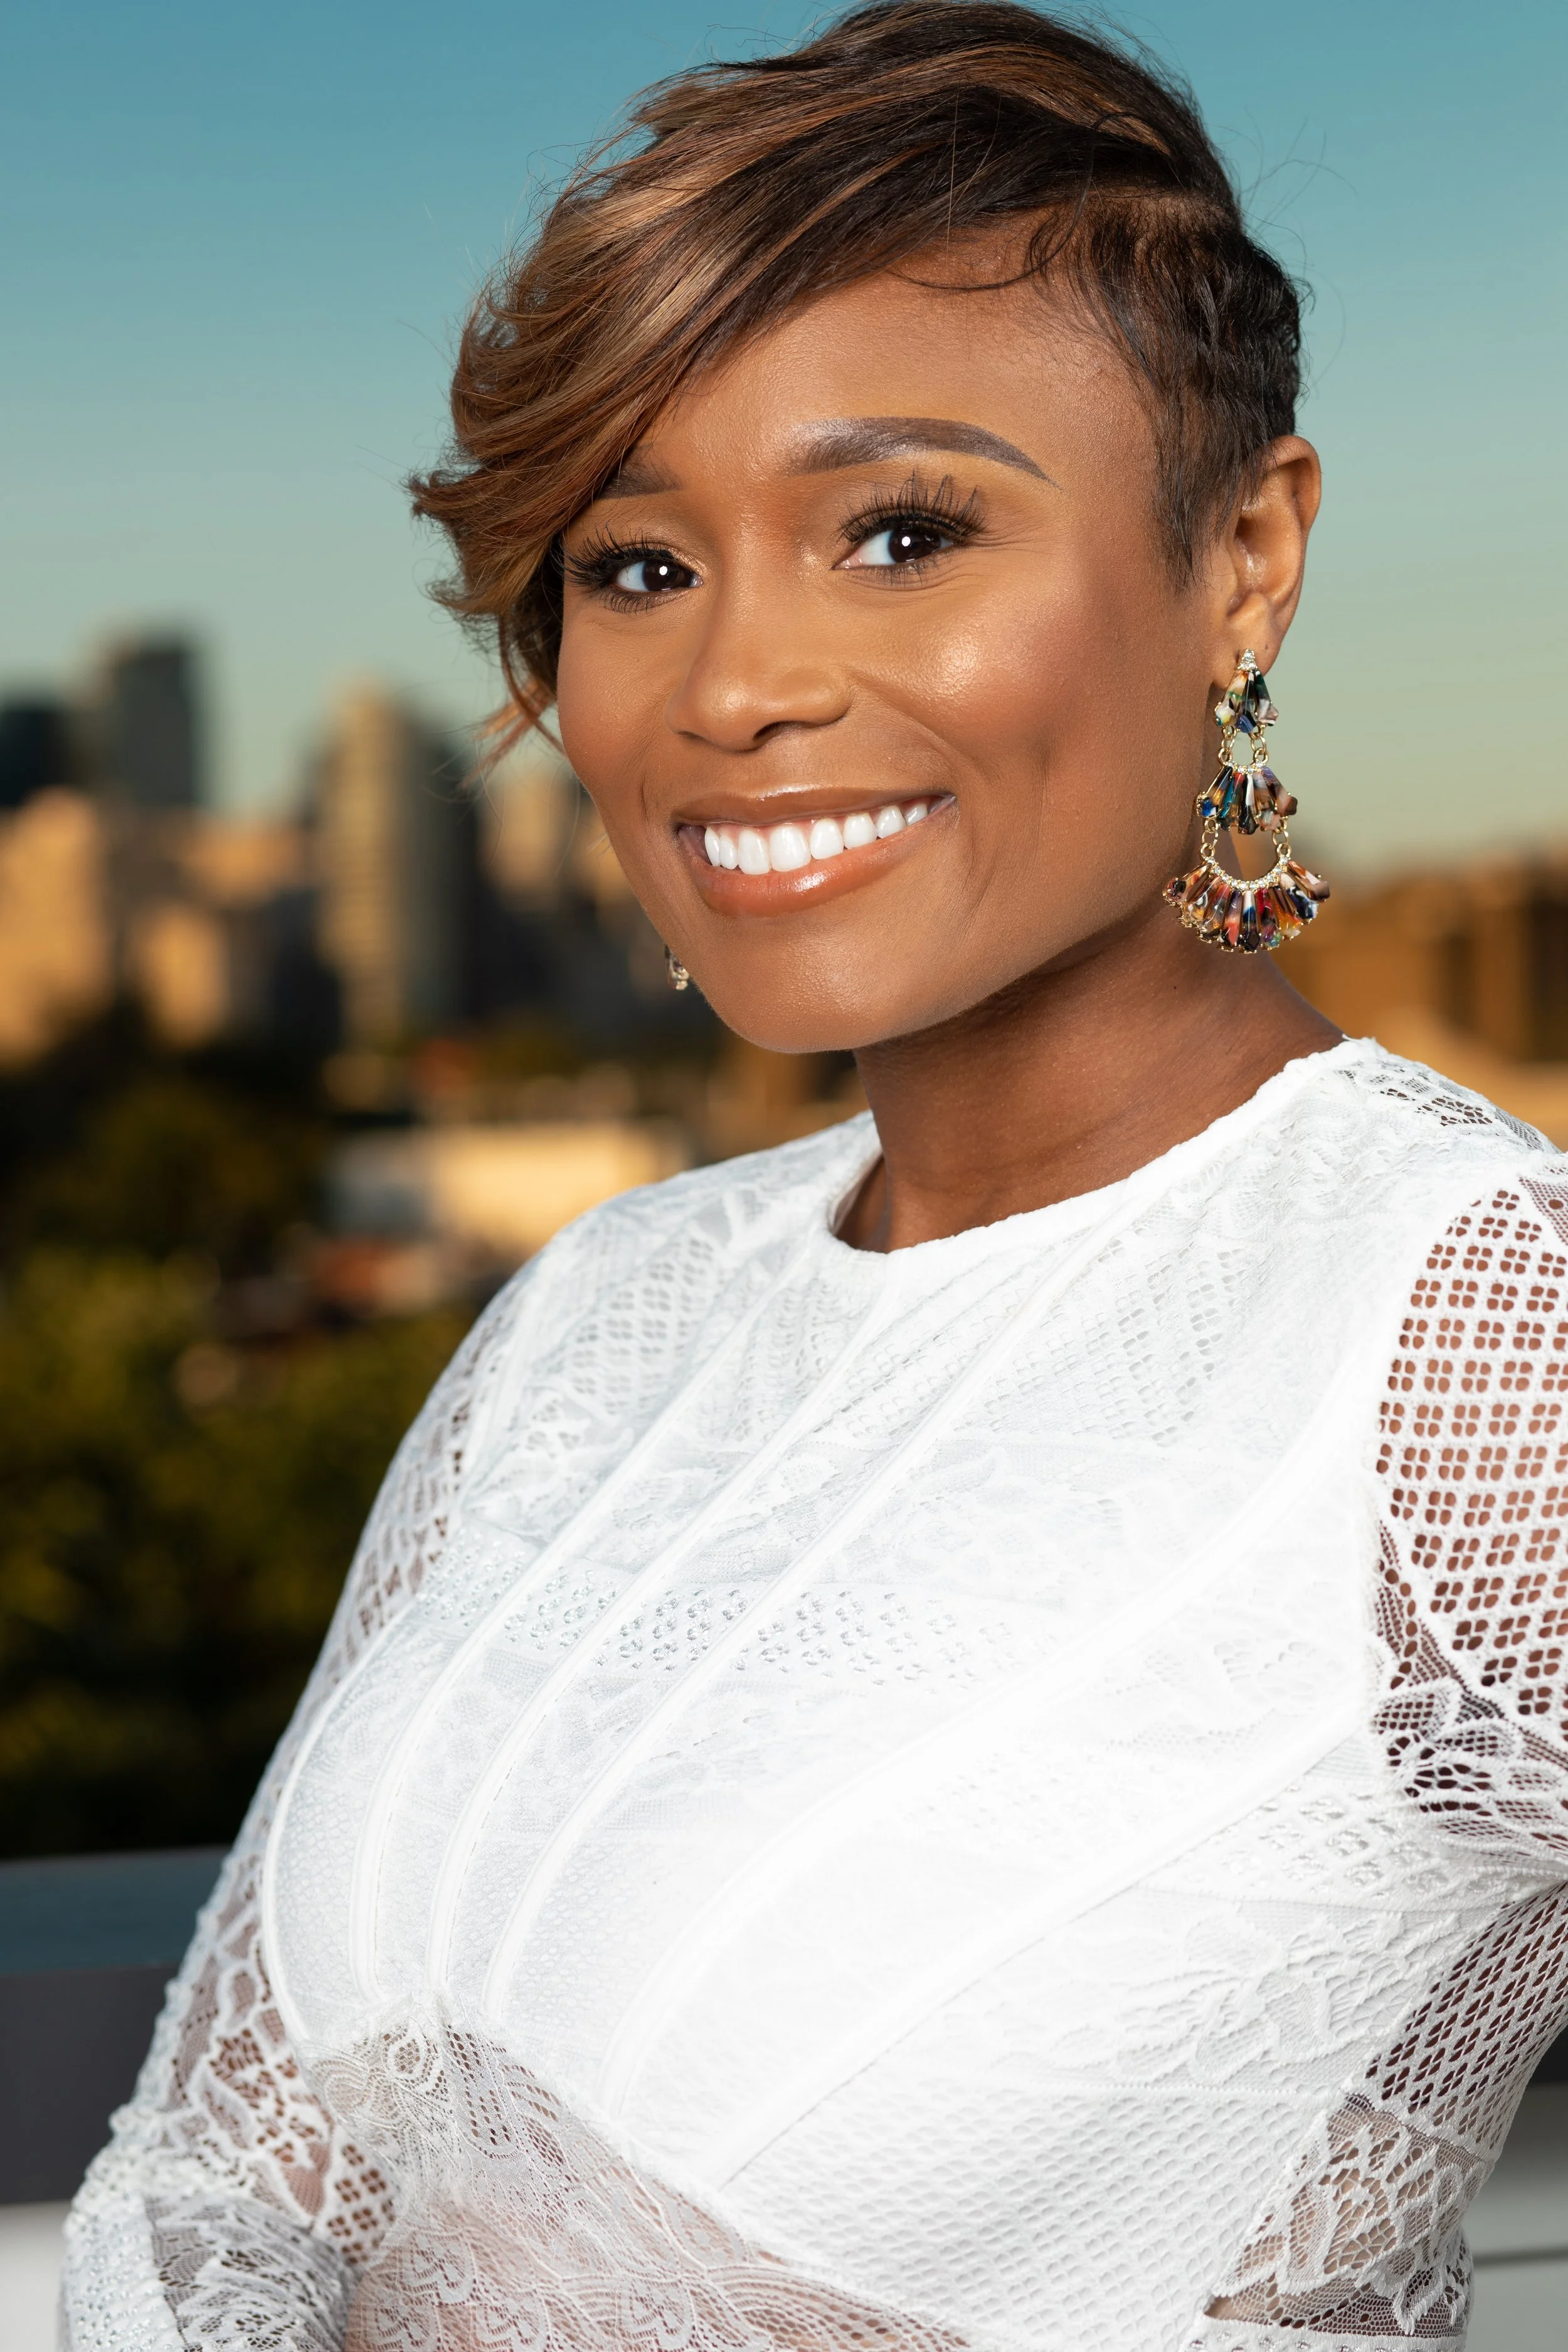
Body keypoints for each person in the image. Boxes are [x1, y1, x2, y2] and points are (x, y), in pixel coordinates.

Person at [63, 8, 1568, 2349]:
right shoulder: (602, 1308)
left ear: (1243, 558)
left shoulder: (1467, 1335)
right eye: (636, 564)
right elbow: (221, 2162)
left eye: (899, 533)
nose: (729, 685)